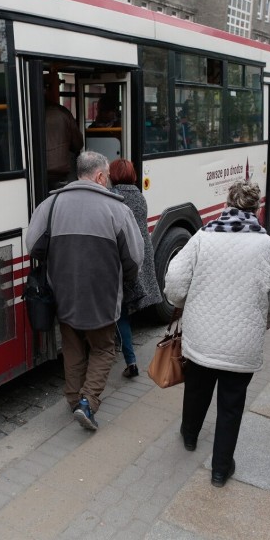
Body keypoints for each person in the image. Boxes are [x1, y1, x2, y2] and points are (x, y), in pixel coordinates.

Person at [165, 180, 270, 487]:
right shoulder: (269, 247)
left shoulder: (202, 238)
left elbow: (176, 283)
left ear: (226, 205)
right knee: (231, 406)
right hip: (242, 343)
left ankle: (189, 436)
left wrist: (180, 303)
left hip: (201, 336)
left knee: (196, 389)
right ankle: (220, 470)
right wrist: (267, 322)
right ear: (257, 208)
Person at [26, 151, 144, 430]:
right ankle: (87, 402)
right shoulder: (117, 209)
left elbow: (34, 246)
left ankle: (72, 399)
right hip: (101, 295)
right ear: (100, 176)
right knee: (104, 348)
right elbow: (134, 258)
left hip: (63, 291)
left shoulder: (51, 204)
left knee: (72, 346)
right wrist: (123, 280)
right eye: (108, 178)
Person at [109, 158, 162, 378]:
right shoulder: (139, 196)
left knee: (119, 312)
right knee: (125, 310)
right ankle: (128, 358)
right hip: (140, 256)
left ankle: (129, 359)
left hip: (122, 259)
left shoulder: (112, 198)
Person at [44, 71, 84, 189]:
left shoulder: (27, 113)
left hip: (37, 172)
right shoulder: (62, 113)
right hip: (60, 174)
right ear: (50, 89)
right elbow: (78, 144)